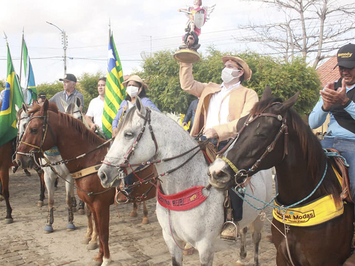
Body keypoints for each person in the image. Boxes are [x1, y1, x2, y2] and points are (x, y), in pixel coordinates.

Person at [179, 55, 258, 240]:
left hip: (231, 142)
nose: (225, 68)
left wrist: (218, 131)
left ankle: (233, 220)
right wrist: (186, 59)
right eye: (225, 65)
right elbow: (187, 84)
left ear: (240, 72)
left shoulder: (248, 94)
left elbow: (246, 120)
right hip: (204, 140)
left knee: (235, 177)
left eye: (230, 66)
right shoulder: (210, 88)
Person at [309, 43, 355, 220]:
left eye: (350, 67)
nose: (345, 72)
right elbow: (313, 123)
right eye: (342, 67)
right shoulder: (331, 87)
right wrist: (325, 106)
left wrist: (346, 103)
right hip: (327, 141)